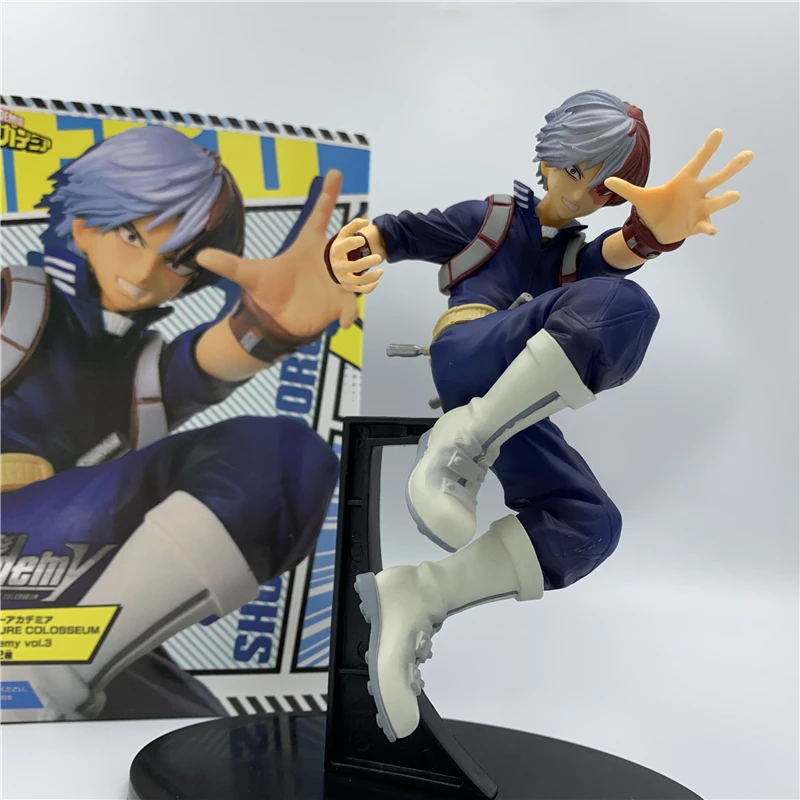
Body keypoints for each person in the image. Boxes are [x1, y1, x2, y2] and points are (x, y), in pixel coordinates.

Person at [326, 90, 754, 741]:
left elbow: (611, 258)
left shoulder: (573, 255)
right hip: (469, 352)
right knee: (619, 305)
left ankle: (422, 593)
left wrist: (653, 235)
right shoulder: (491, 219)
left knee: (589, 523)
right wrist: (348, 249)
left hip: (513, 403)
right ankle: (463, 442)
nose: (582, 193)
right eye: (576, 170)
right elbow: (398, 232)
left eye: (602, 187)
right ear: (550, 156)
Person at [0, 124, 357, 721]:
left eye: (176, 261)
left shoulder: (130, 364)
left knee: (285, 461)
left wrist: (270, 325)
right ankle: (42, 678)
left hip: (64, 583)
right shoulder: (15, 304)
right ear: (83, 224)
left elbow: (194, 368)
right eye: (131, 234)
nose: (145, 270)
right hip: (22, 542)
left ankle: (46, 677)